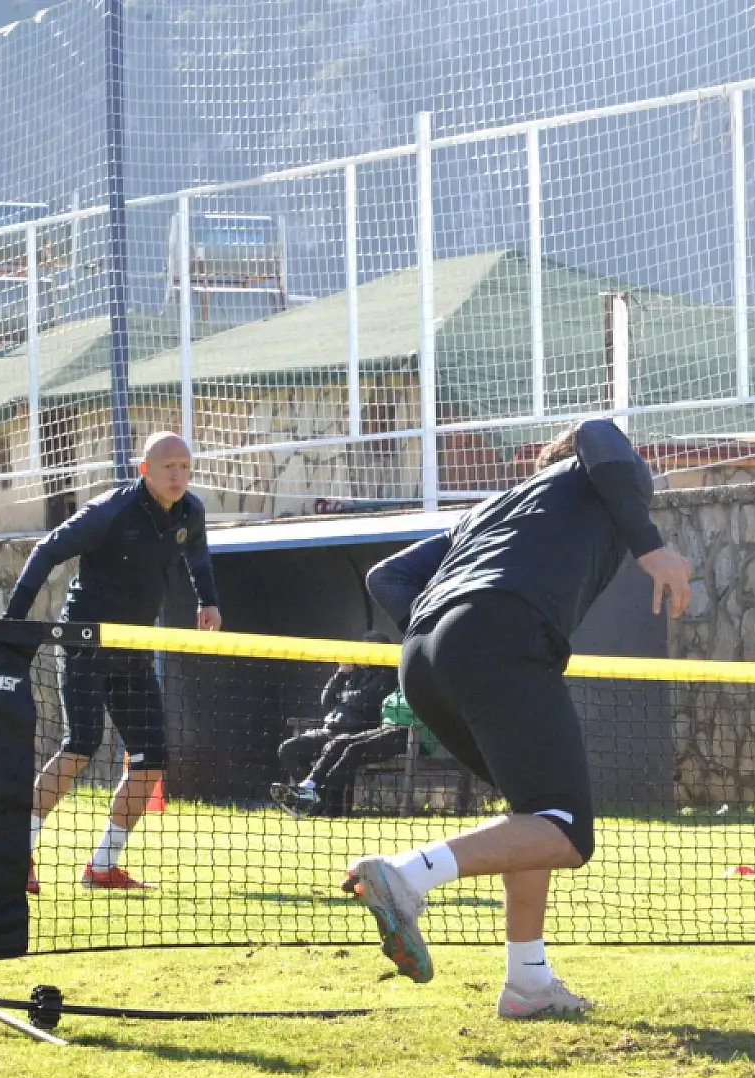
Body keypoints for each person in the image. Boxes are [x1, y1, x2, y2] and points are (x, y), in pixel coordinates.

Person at [351, 418, 691, 1017]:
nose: (641, 484)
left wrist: (455, 639)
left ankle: (528, 982)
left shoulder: (492, 511)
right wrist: (651, 545)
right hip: (497, 635)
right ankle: (404, 877)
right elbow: (596, 431)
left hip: (424, 657)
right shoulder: (596, 471)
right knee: (566, 829)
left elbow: (388, 577)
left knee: (535, 816)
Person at [4, 432, 222, 892]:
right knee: (82, 742)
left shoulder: (191, 511)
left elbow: (197, 552)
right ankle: (13, 856)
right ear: (145, 469)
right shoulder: (110, 511)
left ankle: (102, 867)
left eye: (185, 466)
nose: (178, 475)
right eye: (168, 467)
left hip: (135, 648)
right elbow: (47, 550)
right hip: (86, 641)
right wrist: (14, 619)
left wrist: (209, 601)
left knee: (152, 758)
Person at [272, 682, 438, 818]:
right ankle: (308, 787)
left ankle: (315, 799)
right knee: (337, 743)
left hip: (411, 736)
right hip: (387, 728)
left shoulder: (427, 686)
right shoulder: (401, 685)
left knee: (354, 750)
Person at [274, 632, 396, 800]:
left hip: (356, 733)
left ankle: (315, 798)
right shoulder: (353, 674)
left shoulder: (388, 676)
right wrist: (341, 673)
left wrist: (343, 697)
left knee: (336, 748)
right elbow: (327, 701)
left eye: (369, 647)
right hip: (330, 729)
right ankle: (315, 798)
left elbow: (364, 700)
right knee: (288, 749)